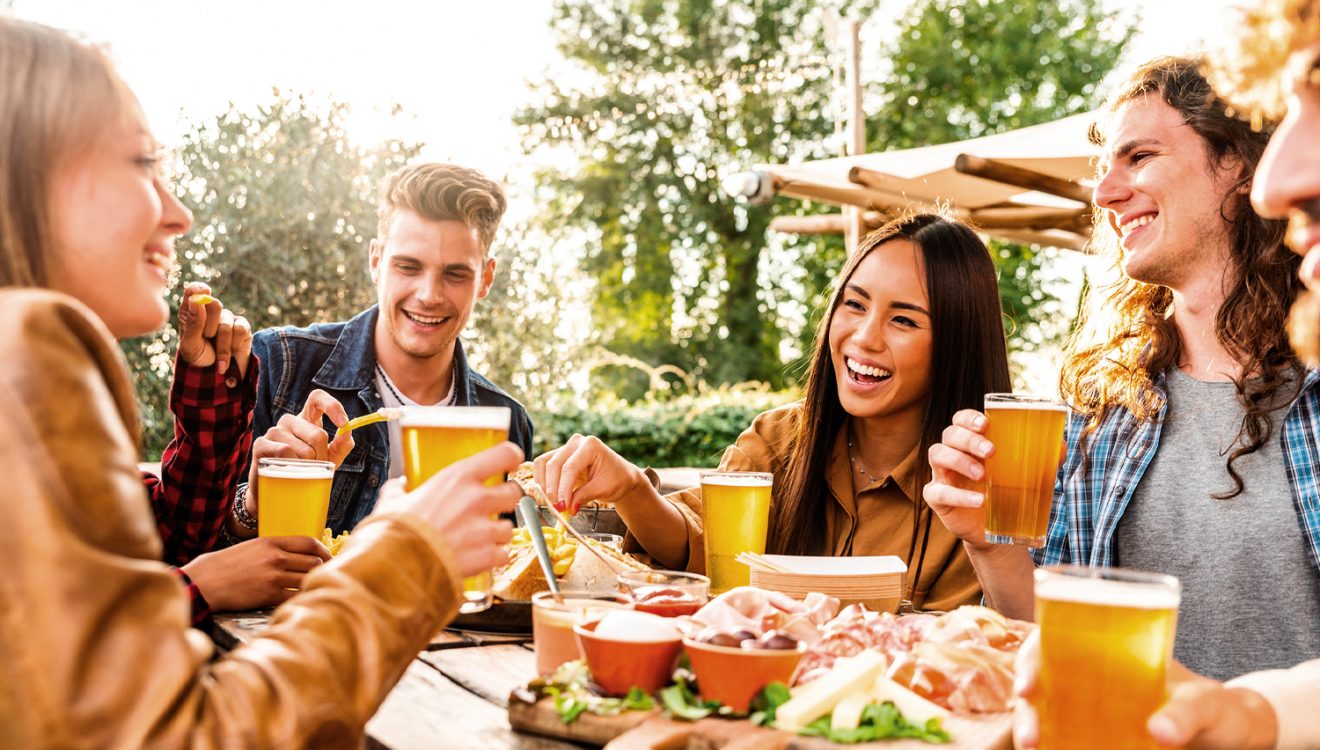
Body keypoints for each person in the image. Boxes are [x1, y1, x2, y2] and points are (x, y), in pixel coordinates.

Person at [0, 16, 520, 746]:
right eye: (144, 164)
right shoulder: (28, 349)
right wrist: (408, 555)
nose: (177, 215)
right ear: (37, 176)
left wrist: (209, 427)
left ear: (483, 281)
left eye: (455, 273)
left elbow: (131, 581)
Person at [925, 55, 1318, 681]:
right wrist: (989, 544)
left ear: (1238, 165)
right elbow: (1057, 648)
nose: (1104, 192)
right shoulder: (1106, 406)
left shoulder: (1314, 387)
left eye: (1140, 157)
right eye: (1106, 166)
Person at [534, 213, 1012, 611]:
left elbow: (973, 640)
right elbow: (700, 547)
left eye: (903, 320)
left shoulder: (974, 484)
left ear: (956, 344)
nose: (864, 337)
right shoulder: (779, 439)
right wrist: (631, 488)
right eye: (854, 304)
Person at [222, 162, 534, 542]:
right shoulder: (279, 364)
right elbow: (200, 540)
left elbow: (507, 567)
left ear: (485, 278)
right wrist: (254, 505)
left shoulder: (507, 422)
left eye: (455, 274)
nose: (429, 295)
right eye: (408, 266)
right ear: (376, 261)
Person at [148, 281, 336, 622]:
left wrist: (209, 385)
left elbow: (174, 536)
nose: (180, 223)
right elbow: (64, 627)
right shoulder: (283, 355)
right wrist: (200, 585)